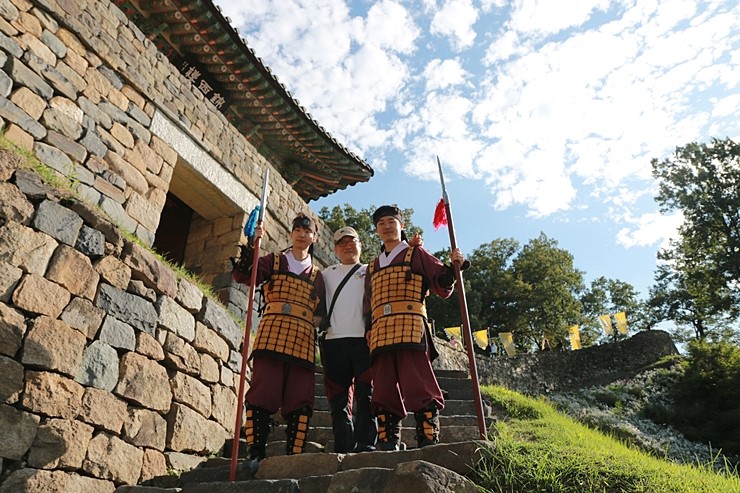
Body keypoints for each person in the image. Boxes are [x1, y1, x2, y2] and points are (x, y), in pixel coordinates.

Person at [363, 205, 468, 450]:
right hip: (380, 331)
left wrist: (454, 267)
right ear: (377, 230)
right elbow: (368, 303)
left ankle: (428, 438)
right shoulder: (372, 266)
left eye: (392, 221)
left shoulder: (416, 254)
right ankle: (388, 441)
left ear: (401, 226)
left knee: (418, 382)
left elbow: (440, 279)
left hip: (410, 326)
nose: (387, 226)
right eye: (381, 223)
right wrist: (368, 328)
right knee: (383, 385)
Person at [231, 213, 325, 460]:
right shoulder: (273, 261)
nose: (302, 234)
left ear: (313, 238)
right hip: (271, 335)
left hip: (302, 340)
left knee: (300, 396)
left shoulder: (318, 275)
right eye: (298, 229)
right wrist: (253, 246)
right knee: (263, 391)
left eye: (307, 231)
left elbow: (323, 312)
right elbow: (243, 276)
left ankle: (294, 455)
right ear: (291, 233)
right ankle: (256, 451)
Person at [319, 226, 376, 453]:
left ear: (360, 245)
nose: (347, 246)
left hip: (364, 340)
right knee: (338, 400)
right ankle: (343, 447)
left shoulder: (371, 270)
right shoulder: (325, 274)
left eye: (351, 241)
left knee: (366, 396)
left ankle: (366, 445)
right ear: (334, 249)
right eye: (342, 243)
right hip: (333, 342)